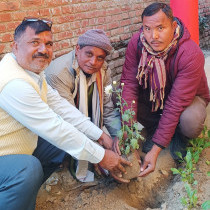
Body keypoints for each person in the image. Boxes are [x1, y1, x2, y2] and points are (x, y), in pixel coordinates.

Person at [0, 18, 131, 210]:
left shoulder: (31, 71)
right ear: (16, 47)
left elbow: (60, 107)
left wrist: (100, 135)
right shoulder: (15, 83)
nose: (43, 50)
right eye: (34, 42)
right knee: (27, 169)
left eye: (48, 44)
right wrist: (101, 156)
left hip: (16, 149)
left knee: (55, 148)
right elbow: (56, 128)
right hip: (7, 156)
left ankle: (22, 197)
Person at [121, 3, 210, 177]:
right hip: (155, 96)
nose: (153, 36)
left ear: (173, 26)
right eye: (147, 28)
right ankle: (155, 130)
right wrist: (128, 133)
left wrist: (155, 150)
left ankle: (180, 139)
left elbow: (176, 103)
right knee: (124, 96)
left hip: (187, 100)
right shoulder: (137, 44)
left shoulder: (190, 53)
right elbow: (129, 84)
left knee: (190, 121)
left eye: (160, 28)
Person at [45, 29, 121, 182]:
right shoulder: (59, 73)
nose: (93, 62)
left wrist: (118, 138)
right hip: (61, 124)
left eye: (100, 58)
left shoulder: (103, 70)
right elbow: (70, 119)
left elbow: (108, 109)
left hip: (87, 121)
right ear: (78, 49)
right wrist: (102, 145)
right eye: (89, 54)